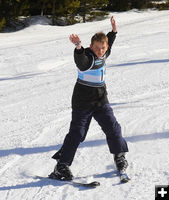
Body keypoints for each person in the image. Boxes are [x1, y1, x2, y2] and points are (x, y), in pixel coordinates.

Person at [50, 16, 129, 180]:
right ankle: (61, 166)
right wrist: (78, 46)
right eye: (97, 47)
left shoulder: (104, 53)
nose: (100, 51)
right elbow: (81, 61)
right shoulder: (88, 57)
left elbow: (110, 42)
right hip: (82, 102)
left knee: (113, 128)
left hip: (100, 100)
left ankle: (119, 156)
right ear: (91, 47)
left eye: (103, 48)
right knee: (77, 133)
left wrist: (114, 30)